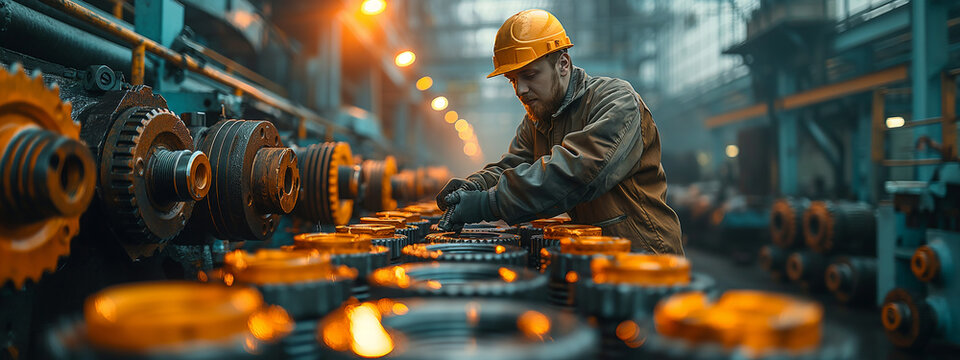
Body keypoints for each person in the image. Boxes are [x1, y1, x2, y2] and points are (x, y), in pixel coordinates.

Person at [436, 9, 683, 255]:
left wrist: (486, 203)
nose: (520, 89)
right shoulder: (537, 120)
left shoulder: (617, 102)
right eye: (512, 80)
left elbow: (576, 173)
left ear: (563, 64)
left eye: (529, 75)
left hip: (646, 258)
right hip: (597, 257)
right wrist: (473, 186)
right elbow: (510, 167)